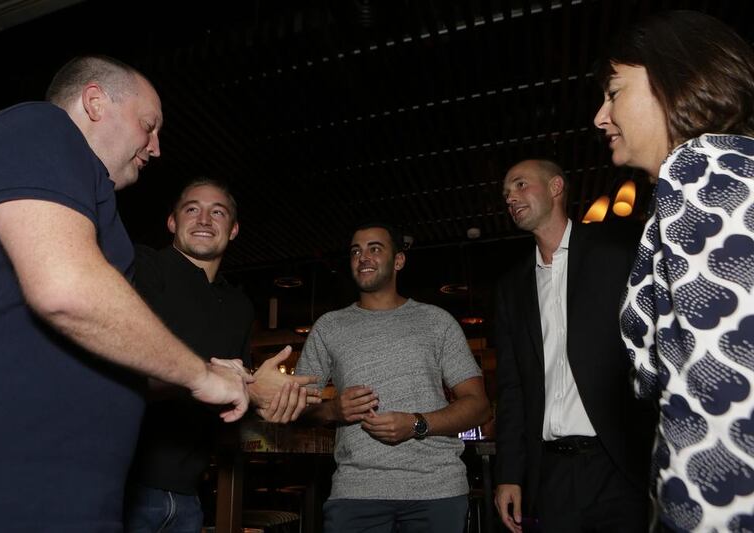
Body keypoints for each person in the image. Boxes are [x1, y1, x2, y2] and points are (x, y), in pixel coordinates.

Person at [0, 55, 250, 532]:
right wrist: (200, 375)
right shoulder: (39, 125)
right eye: (148, 125)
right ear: (94, 102)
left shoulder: (99, 221)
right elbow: (65, 289)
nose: (155, 148)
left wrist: (216, 375)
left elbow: (120, 366)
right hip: (1, 480)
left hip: (78, 495)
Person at [594, 10, 754, 531]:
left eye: (614, 92)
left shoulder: (701, 170)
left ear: (672, 79)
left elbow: (721, 391)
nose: (601, 116)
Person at [124, 178, 319, 532]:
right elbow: (125, 364)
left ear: (233, 230)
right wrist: (243, 386)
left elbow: (231, 392)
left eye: (217, 212)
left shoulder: (239, 306)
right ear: (172, 222)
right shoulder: (144, 267)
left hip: (189, 494)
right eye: (192, 209)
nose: (203, 220)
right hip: (125, 484)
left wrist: (266, 397)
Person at [493, 159, 655, 532]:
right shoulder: (511, 288)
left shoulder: (615, 253)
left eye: (519, 185)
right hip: (553, 474)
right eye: (505, 193)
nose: (510, 198)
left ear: (555, 187)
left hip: (619, 464)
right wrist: (510, 474)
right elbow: (512, 388)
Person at [296, 222, 490, 533]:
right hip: (356, 492)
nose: (364, 257)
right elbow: (298, 411)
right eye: (356, 251)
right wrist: (333, 410)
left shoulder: (437, 322)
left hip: (436, 490)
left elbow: (479, 407)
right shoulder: (329, 327)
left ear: (398, 261)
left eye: (375, 248)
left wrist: (416, 424)